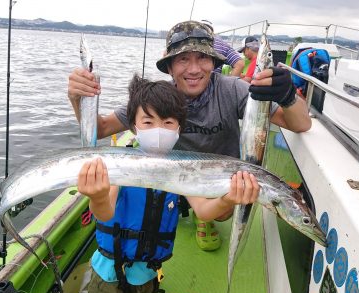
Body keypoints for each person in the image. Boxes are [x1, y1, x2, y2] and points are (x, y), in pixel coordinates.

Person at [68, 20, 311, 252]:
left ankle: (202, 216)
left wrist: (288, 95)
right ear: (170, 67)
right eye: (183, 59)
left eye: (203, 58)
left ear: (213, 63)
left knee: (222, 211)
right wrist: (78, 97)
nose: (194, 69)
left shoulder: (233, 89)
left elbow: (300, 124)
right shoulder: (157, 100)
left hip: (219, 181)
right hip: (171, 176)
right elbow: (100, 129)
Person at [77, 74, 260, 293]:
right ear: (133, 126)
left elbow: (203, 210)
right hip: (108, 278)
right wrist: (97, 196)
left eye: (168, 123)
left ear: (179, 129)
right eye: (148, 122)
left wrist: (228, 199)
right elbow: (105, 212)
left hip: (147, 275)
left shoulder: (181, 169)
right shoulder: (118, 163)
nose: (158, 130)